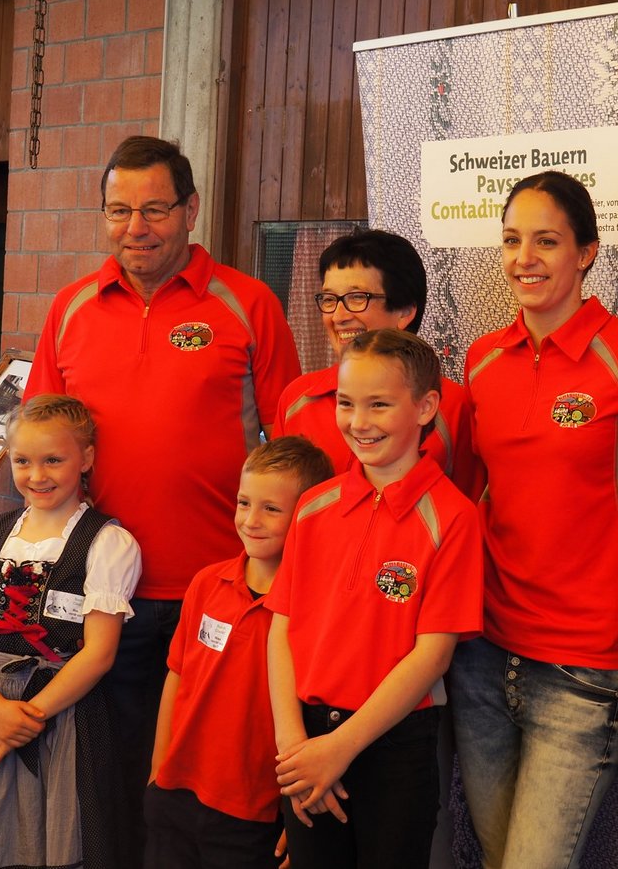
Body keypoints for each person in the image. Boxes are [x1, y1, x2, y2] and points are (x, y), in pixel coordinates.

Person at [24, 135, 301, 851]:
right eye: (119, 211)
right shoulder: (71, 308)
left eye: (154, 209)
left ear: (190, 210)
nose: (136, 228)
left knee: (212, 786)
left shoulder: (248, 304)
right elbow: (41, 448)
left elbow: (293, 450)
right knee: (108, 783)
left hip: (220, 593)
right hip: (100, 595)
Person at [449, 170, 618, 869]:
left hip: (586, 665)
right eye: (512, 240)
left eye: (546, 241)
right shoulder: (483, 358)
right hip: (483, 655)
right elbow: (465, 496)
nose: (525, 258)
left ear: (587, 252)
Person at [267, 328, 484, 868]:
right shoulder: (313, 506)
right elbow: (281, 626)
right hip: (306, 738)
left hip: (393, 745)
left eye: (379, 405)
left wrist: (339, 749)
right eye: (346, 403)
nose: (358, 422)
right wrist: (295, 747)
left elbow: (432, 655)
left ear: (425, 407)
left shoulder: (453, 518)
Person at [0, 394, 142, 869]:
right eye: (22, 461)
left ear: (85, 458)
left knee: (61, 829)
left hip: (65, 713)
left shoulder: (107, 543)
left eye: (53, 460)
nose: (36, 475)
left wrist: (26, 719)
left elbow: (99, 653)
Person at [145, 435, 333, 869]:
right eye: (244, 503)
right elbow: (177, 675)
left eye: (271, 509)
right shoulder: (206, 584)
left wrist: (297, 815)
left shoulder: (315, 608)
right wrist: (158, 771)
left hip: (255, 811)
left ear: (307, 517)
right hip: (175, 795)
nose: (251, 520)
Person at [273, 229, 478, 497]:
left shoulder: (452, 407)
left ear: (405, 311)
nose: (338, 316)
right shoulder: (297, 399)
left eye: (357, 298)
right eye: (330, 299)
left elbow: (464, 505)